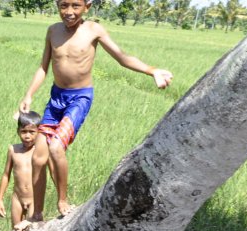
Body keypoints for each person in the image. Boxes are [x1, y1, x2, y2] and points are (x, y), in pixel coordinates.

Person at [19, 0, 172, 217]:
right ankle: (37, 214)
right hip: (56, 99)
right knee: (38, 157)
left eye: (75, 6)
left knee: (55, 148)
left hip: (79, 98)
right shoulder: (52, 31)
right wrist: (29, 94)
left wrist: (152, 71)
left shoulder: (93, 30)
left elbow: (122, 58)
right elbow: (43, 67)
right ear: (57, 5)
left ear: (87, 7)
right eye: (64, 6)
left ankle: (63, 201)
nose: (69, 12)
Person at [0, 111, 49, 231]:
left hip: (34, 199)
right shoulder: (13, 150)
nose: (27, 136)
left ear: (38, 133)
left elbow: (52, 171)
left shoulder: (41, 151)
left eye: (32, 132)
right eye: (24, 132)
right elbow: (6, 175)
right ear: (18, 131)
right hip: (17, 199)